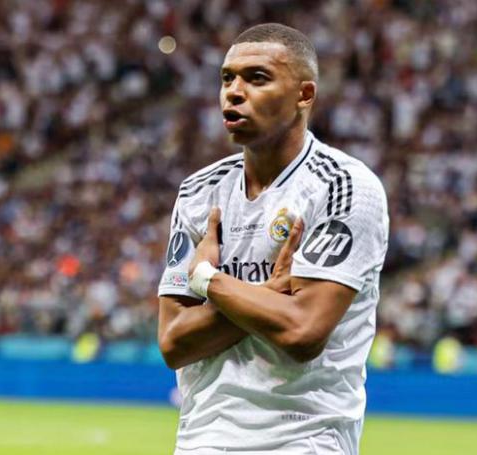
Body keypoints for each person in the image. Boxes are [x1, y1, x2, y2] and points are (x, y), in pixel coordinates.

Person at [157, 23, 389, 454]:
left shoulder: (343, 187)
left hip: (303, 437)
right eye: (227, 78)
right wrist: (267, 294)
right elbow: (174, 343)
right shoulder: (198, 192)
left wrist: (208, 280)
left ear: (304, 95)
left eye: (257, 78)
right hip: (201, 438)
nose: (234, 92)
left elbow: (302, 332)